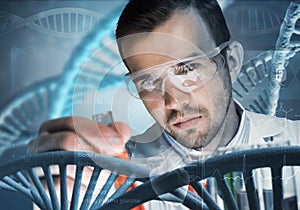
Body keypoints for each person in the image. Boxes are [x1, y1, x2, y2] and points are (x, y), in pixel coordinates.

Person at [28, 0, 300, 208]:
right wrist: (59, 192)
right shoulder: (117, 176)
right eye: (147, 81)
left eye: (187, 69)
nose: (173, 101)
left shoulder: (295, 140)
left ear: (231, 63)